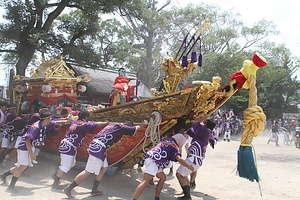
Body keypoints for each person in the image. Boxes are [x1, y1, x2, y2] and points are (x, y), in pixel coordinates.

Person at [63, 120, 146, 198]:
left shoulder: (112, 125)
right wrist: (145, 124)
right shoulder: (121, 127)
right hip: (98, 148)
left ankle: (94, 189)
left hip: (97, 146)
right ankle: (69, 188)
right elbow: (137, 128)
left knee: (104, 167)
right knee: (88, 171)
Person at [0, 108, 64, 193]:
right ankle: (11, 187)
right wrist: (31, 153)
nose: (51, 120)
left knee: (20, 165)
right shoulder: (35, 127)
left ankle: (4, 175)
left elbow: (57, 122)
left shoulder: (46, 123)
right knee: (23, 166)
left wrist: (69, 120)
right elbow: (27, 141)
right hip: (24, 147)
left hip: (29, 147)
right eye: (49, 118)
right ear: (46, 119)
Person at [51, 110, 109, 189]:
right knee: (65, 166)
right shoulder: (83, 124)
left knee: (71, 164)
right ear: (86, 117)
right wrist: (106, 123)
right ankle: (55, 183)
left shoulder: (75, 122)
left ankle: (55, 175)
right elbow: (96, 124)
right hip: (69, 146)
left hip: (68, 145)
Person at [131, 133, 194, 200]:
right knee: (146, 181)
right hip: (154, 161)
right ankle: (134, 198)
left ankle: (157, 198)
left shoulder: (167, 139)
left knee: (163, 178)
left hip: (152, 158)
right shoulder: (174, 147)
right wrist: (188, 166)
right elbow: (179, 159)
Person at [176, 118, 216, 200]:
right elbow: (191, 133)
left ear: (207, 125)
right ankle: (187, 194)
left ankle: (187, 196)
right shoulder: (204, 133)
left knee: (179, 174)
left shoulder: (205, 131)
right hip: (196, 159)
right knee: (183, 175)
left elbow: (195, 124)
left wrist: (202, 117)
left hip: (194, 159)